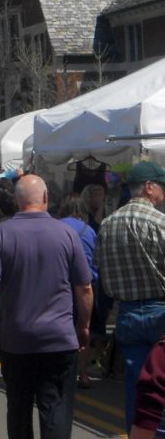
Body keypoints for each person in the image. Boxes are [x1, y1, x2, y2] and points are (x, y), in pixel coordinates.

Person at [0, 175, 93, 439]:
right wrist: (84, 325)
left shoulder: (1, 233)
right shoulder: (67, 233)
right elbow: (84, 287)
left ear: (17, 200)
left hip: (17, 340)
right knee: (56, 408)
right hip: (59, 339)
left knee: (18, 408)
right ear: (45, 198)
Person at [95, 161, 165, 428]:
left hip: (128, 314)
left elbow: (102, 273)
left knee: (137, 388)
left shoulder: (108, 224)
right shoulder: (161, 223)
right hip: (160, 312)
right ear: (149, 188)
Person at [57, 194, 100, 389]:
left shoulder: (55, 227)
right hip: (86, 285)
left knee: (61, 327)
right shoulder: (89, 230)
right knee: (84, 328)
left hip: (60, 286)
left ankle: (62, 372)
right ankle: (83, 374)